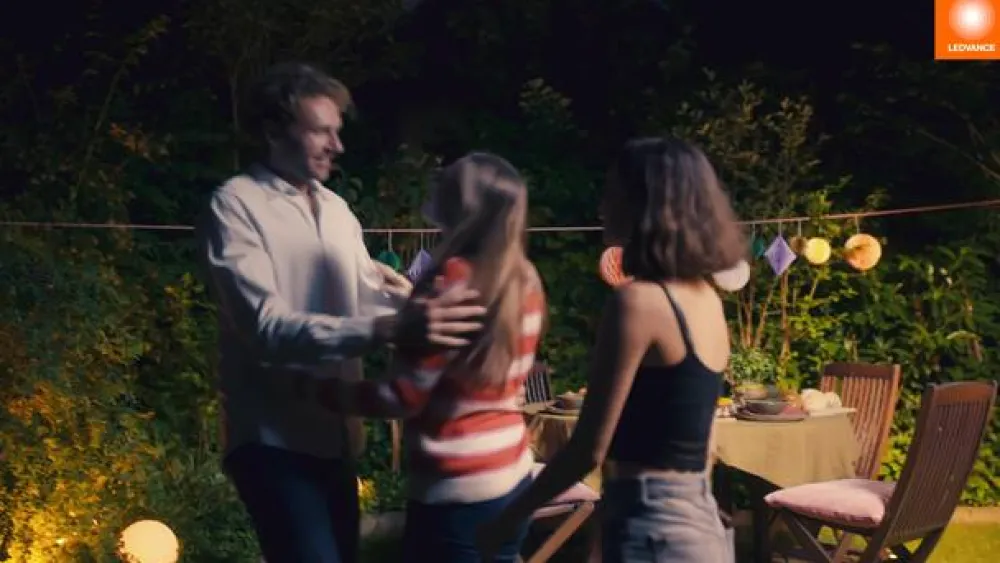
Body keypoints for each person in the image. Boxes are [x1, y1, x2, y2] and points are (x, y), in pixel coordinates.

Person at [198, 62, 487, 563]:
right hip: (273, 440)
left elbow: (364, 297)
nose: (338, 146)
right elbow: (266, 329)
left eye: (337, 131)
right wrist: (393, 325)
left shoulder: (336, 210)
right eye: (321, 131)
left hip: (337, 435)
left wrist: (433, 307)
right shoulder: (234, 206)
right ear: (273, 130)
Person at [478, 136, 745, 563]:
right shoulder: (707, 299)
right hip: (697, 524)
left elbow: (589, 448)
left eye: (613, 194)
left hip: (654, 530)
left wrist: (509, 518)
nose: (602, 207)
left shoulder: (638, 302)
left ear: (646, 206)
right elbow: (700, 444)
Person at [318, 152, 545, 563]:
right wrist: (412, 300)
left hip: (457, 490)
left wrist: (321, 392)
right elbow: (475, 345)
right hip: (513, 478)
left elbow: (401, 397)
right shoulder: (524, 277)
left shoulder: (449, 280)